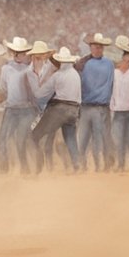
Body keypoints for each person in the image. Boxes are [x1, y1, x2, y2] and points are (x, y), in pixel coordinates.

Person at [29, 46, 82, 174]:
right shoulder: (75, 75)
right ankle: (76, 164)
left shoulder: (57, 75)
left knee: (35, 136)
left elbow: (40, 94)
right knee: (70, 138)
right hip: (74, 109)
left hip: (59, 109)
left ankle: (39, 166)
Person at [0, 36, 39, 175]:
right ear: (14, 53)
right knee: (1, 139)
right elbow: (2, 89)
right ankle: (4, 168)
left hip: (26, 109)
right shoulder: (6, 69)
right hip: (12, 109)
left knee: (20, 139)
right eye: (18, 52)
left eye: (23, 52)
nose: (21, 55)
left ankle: (24, 168)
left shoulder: (30, 70)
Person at [74, 32, 115, 172]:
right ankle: (84, 165)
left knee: (101, 138)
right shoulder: (87, 63)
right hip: (87, 106)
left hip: (100, 106)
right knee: (84, 137)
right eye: (94, 47)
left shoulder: (106, 64)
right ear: (90, 48)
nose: (97, 49)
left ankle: (102, 165)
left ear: (102, 48)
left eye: (99, 47)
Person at [109, 37, 129, 171]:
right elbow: (112, 91)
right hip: (118, 110)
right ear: (122, 59)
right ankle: (121, 164)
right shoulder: (115, 73)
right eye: (126, 60)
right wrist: (112, 106)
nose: (128, 63)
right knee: (119, 140)